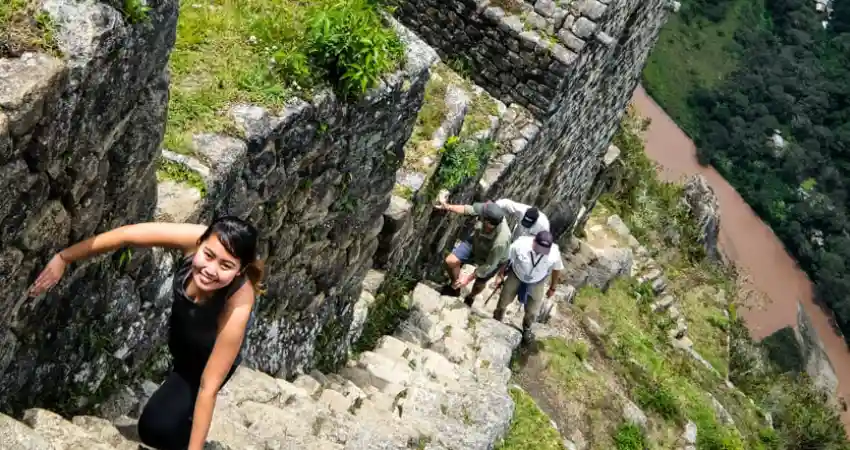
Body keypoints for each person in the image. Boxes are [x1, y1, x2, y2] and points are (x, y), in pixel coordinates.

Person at [28, 216, 263, 450]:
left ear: (240, 271)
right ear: (200, 243)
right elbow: (127, 235)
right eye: (209, 255)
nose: (210, 270)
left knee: (154, 430)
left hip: (200, 365)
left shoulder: (237, 304)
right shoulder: (197, 238)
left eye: (226, 266)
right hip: (181, 345)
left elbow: (208, 387)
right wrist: (64, 257)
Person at [435, 199, 512, 306]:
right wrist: (447, 207)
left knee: (479, 282)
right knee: (450, 261)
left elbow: (489, 265)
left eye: (482, 217)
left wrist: (468, 278)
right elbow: (468, 209)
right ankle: (455, 287)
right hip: (476, 242)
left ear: (488, 222)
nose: (480, 215)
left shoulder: (500, 241)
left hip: (493, 258)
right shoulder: (490, 212)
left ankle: (471, 296)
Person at [493, 230, 563, 345]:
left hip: (537, 281)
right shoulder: (520, 244)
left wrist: (552, 288)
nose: (540, 252)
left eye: (544, 251)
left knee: (533, 310)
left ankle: (527, 328)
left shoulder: (554, 253)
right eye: (539, 248)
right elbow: (506, 257)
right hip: (516, 274)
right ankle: (496, 319)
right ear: (534, 242)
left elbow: (557, 269)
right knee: (504, 299)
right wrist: (500, 274)